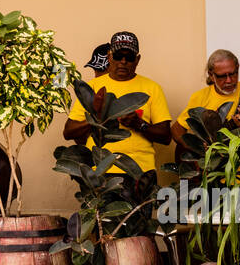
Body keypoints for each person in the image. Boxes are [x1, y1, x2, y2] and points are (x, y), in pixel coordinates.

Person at [63, 31, 172, 178]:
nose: (123, 61)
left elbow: (165, 137)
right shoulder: (93, 87)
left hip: (140, 171)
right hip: (99, 171)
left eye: (130, 57)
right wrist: (97, 119)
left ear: (138, 59)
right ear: (109, 57)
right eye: (118, 56)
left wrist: (139, 124)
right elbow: (68, 132)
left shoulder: (152, 88)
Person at [172, 49, 240, 149]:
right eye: (222, 76)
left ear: (237, 68)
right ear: (211, 75)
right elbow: (176, 130)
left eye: (233, 74)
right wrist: (197, 150)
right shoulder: (200, 97)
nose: (229, 80)